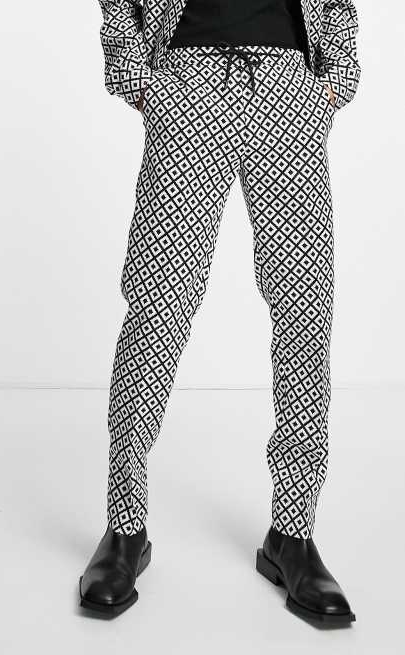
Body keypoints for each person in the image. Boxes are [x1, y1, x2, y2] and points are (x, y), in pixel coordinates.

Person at [79, 0, 360, 625]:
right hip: (188, 84)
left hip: (290, 89)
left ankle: (293, 533)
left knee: (306, 310)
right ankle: (125, 527)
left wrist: (332, 81)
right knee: (157, 305)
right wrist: (140, 78)